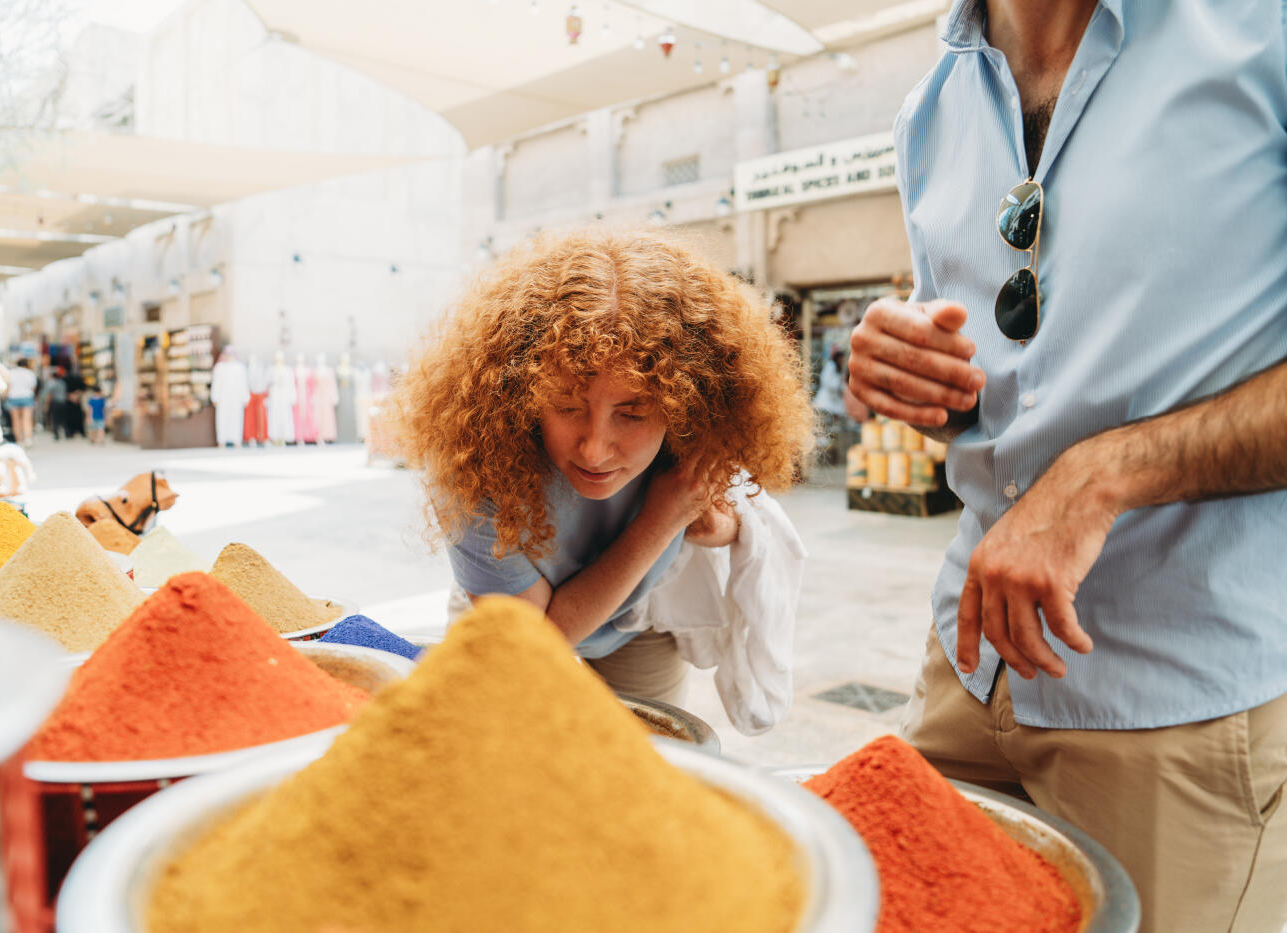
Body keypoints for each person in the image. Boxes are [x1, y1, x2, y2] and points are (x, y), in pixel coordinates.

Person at [845, 3, 1287, 931]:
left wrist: (1104, 474)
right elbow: (996, 378)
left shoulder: (1263, 34)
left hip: (1174, 699)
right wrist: (912, 372)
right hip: (967, 671)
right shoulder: (932, 106)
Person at [391, 228, 812, 707]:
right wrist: (663, 519)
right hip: (512, 617)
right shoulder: (476, 465)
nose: (593, 450)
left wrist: (714, 523)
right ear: (521, 395)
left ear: (685, 408)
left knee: (652, 752)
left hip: (633, 626)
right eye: (566, 406)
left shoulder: (694, 435)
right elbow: (535, 643)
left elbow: (729, 518)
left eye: (632, 414)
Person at [3, 358, 37, 446]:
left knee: (15, 420)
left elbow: (8, 386)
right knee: (27, 419)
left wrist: (5, 396)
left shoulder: (11, 373)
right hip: (27, 396)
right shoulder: (30, 373)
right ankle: (28, 439)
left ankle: (19, 440)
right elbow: (33, 388)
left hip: (13, 397)